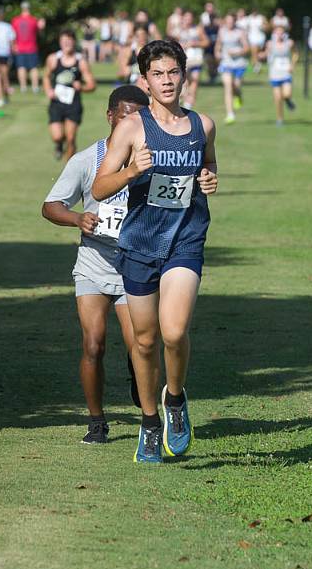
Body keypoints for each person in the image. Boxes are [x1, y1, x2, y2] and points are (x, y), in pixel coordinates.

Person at [91, 39, 218, 464]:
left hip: (185, 238)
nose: (166, 81)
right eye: (157, 74)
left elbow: (208, 164)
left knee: (174, 331)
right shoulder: (133, 128)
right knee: (144, 343)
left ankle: (175, 400)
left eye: (173, 72)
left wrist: (209, 179)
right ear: (144, 80)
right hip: (141, 242)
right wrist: (132, 170)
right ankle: (149, 422)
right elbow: (99, 187)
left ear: (184, 74)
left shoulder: (203, 124)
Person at [42, 85, 150, 443]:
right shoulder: (87, 160)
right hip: (93, 262)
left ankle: (148, 404)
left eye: (138, 117)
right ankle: (96, 420)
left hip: (135, 263)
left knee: (140, 345)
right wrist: (77, 219)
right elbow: (51, 205)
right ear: (110, 117)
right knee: (93, 344)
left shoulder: (151, 161)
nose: (130, 124)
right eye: (125, 116)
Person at [44, 29, 96, 160]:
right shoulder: (53, 59)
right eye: (63, 41)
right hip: (56, 103)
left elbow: (92, 85)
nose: (66, 44)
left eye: (69, 41)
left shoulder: (81, 62)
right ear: (60, 43)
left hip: (73, 104)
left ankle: (69, 169)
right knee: (57, 136)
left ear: (74, 42)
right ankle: (58, 144)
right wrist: (49, 90)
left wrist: (82, 87)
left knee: (71, 138)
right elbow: (46, 77)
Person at [215, 12, 249, 124]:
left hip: (239, 63)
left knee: (237, 85)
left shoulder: (240, 32)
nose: (230, 23)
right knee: (228, 85)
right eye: (228, 21)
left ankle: (238, 96)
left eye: (232, 21)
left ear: (235, 21)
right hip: (226, 63)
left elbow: (246, 48)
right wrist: (217, 53)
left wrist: (237, 52)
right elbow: (218, 45)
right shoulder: (222, 31)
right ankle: (230, 114)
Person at [263, 22, 298, 125]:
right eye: (277, 32)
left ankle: (288, 100)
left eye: (281, 32)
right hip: (274, 73)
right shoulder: (270, 44)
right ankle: (280, 118)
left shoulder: (289, 43)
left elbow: (295, 53)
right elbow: (266, 54)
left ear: (284, 33)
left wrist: (292, 64)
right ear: (274, 33)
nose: (279, 34)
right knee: (278, 98)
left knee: (287, 94)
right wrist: (261, 56)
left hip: (286, 72)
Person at [11, 1, 43, 94]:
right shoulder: (34, 20)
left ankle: (23, 87)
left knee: (21, 67)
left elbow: (12, 36)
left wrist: (13, 46)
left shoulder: (15, 20)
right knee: (33, 68)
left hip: (19, 48)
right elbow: (39, 32)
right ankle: (35, 87)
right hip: (32, 48)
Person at [178, 11, 206, 108]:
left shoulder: (198, 29)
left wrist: (195, 44)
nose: (188, 20)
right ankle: (183, 100)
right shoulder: (179, 31)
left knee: (194, 81)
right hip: (183, 61)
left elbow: (206, 42)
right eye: (186, 18)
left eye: (190, 18)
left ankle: (188, 106)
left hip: (196, 59)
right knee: (184, 83)